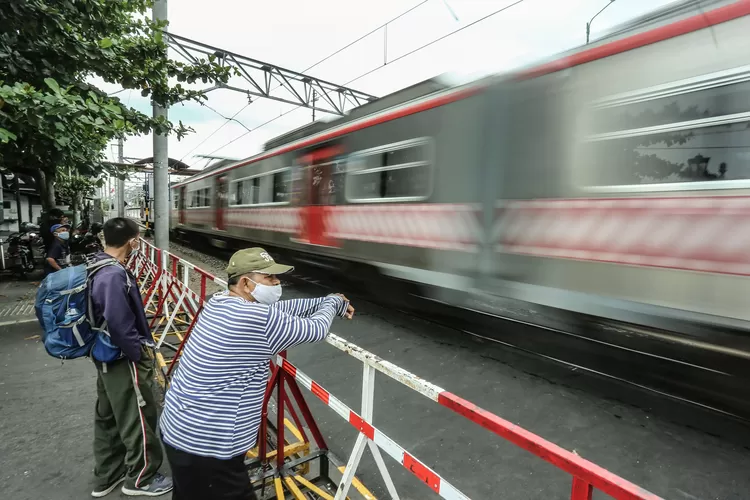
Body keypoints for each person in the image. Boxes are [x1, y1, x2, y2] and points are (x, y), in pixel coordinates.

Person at [159, 247, 355, 500]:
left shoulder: (220, 303)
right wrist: (334, 302)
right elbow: (315, 329)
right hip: (209, 446)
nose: (277, 283)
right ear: (246, 283)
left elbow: (284, 309)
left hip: (179, 430)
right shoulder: (255, 318)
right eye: (270, 278)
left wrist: (323, 300)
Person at [88, 217, 173, 498]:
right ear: (132, 241)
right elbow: (119, 321)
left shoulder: (96, 264)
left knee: (110, 415)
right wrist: (139, 355)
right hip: (121, 357)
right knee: (137, 415)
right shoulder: (113, 274)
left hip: (105, 356)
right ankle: (141, 479)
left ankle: (107, 475)